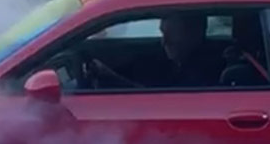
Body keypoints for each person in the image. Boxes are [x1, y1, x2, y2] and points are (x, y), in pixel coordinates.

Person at [88, 12, 224, 88]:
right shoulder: (178, 61)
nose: (164, 42)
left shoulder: (202, 72)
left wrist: (111, 78)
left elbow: (162, 102)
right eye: (163, 34)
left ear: (194, 33)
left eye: (171, 36)